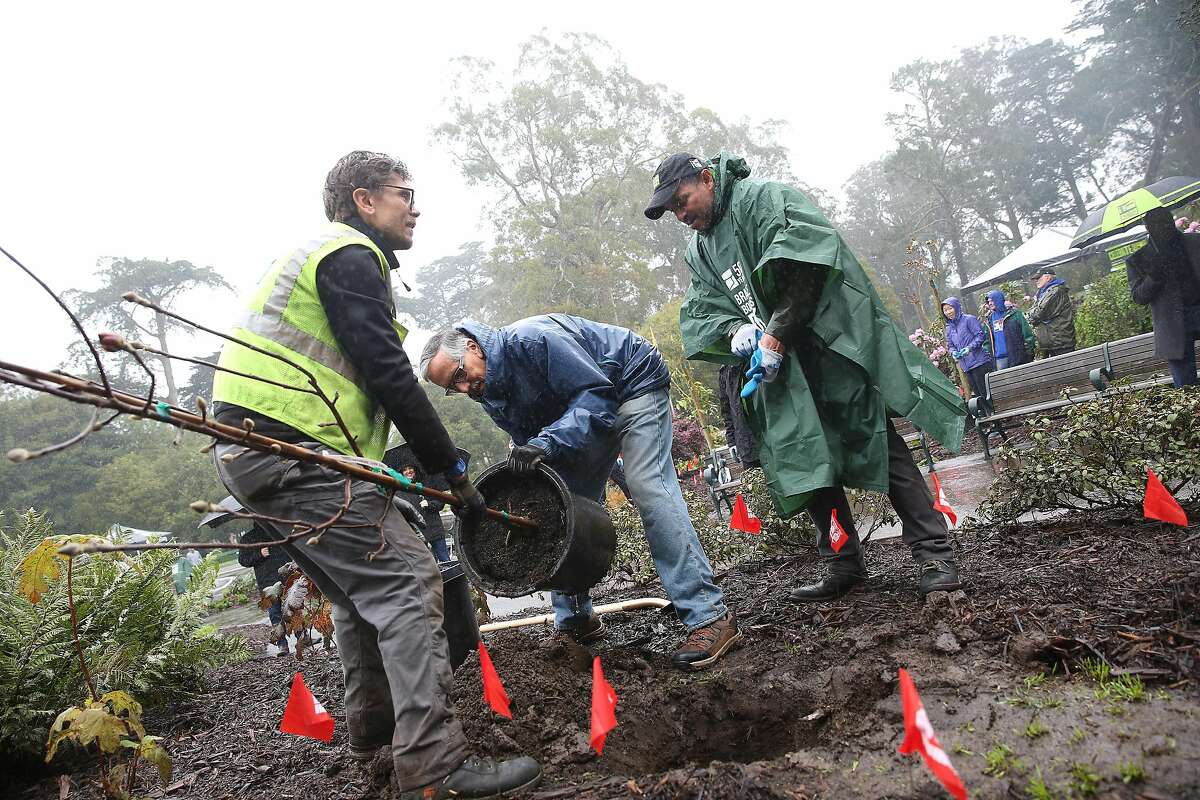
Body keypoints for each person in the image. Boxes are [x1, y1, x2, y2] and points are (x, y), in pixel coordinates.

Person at [209, 151, 540, 799]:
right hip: (289, 449)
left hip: (255, 454)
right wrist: (452, 471)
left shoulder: (318, 260)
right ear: (364, 201)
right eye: (402, 193)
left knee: (358, 597)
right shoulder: (349, 256)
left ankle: (377, 745)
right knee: (411, 582)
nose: (414, 207)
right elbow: (388, 372)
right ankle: (433, 768)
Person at [646, 151, 966, 600]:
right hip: (783, 375)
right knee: (807, 460)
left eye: (683, 201)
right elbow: (703, 309)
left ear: (707, 179)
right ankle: (843, 561)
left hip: (826, 349)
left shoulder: (764, 200)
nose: (681, 215)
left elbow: (808, 267)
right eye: (673, 211)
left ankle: (936, 557)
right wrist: (733, 329)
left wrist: (776, 337)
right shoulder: (699, 250)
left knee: (874, 440)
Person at [420, 314, 742, 671]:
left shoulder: (531, 341)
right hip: (587, 412)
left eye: (460, 376)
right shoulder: (488, 391)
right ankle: (576, 621)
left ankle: (708, 616)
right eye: (453, 388)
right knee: (559, 504)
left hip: (630, 384)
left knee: (648, 487)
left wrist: (547, 442)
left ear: (472, 347)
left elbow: (597, 395)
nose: (465, 389)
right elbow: (538, 439)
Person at [1126, 207, 1200, 387]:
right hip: (1173, 326)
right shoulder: (1139, 259)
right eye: (1156, 224)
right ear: (1148, 228)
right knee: (1185, 387)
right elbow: (1138, 296)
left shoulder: (1196, 241)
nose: (1163, 228)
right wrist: (1154, 277)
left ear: (1171, 221)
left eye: (1166, 222)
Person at [237, 523, 292, 655]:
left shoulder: (280, 530)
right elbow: (243, 560)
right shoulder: (249, 538)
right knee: (275, 614)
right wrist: (259, 554)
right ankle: (282, 645)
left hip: (287, 578)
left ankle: (303, 638)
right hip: (267, 582)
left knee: (294, 609)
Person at [942, 297, 993, 410]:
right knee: (978, 394)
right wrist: (953, 352)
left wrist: (969, 348)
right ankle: (988, 418)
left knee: (986, 393)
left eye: (950, 308)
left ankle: (996, 417)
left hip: (979, 362)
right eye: (945, 310)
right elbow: (950, 345)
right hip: (966, 366)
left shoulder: (969, 319)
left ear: (956, 307)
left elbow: (980, 336)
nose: (948, 312)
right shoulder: (949, 328)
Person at [400, 462, 452, 562]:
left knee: (445, 561)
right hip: (417, 535)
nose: (408, 471)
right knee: (428, 565)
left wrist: (429, 504)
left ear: (415, 469)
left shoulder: (427, 483)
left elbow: (440, 501)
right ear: (401, 473)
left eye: (410, 468)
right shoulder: (400, 491)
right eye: (405, 470)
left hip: (435, 529)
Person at [1026, 267, 1076, 356]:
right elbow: (1031, 314)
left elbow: (1038, 313)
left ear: (1048, 277)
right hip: (1051, 344)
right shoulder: (1042, 293)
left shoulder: (1056, 291)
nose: (1036, 281)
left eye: (1039, 278)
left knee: (1066, 368)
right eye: (1036, 279)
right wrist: (1032, 315)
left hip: (1061, 343)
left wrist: (1032, 316)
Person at [717, 364, 759, 469]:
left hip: (768, 437)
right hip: (746, 445)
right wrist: (731, 442)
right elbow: (726, 410)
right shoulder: (724, 371)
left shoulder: (752, 359)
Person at [984, 289, 1036, 370]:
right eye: (988, 301)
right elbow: (987, 340)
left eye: (992, 300)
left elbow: (1028, 334)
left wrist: (1028, 353)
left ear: (998, 299)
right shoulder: (989, 319)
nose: (990, 303)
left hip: (1018, 357)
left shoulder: (1015, 314)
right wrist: (989, 354)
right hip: (999, 359)